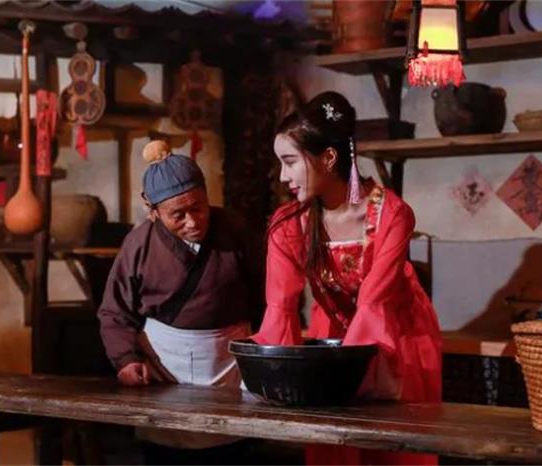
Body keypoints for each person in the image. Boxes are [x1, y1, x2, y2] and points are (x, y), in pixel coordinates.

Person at [252, 91, 442, 465]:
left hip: (397, 334)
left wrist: (343, 371)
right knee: (333, 451)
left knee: (394, 451)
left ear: (328, 158)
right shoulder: (289, 224)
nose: (283, 176)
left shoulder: (391, 213)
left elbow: (375, 301)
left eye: (290, 162)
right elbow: (280, 305)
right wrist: (274, 380)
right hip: (332, 335)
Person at [97, 140, 263, 463]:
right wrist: (126, 360)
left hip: (228, 364)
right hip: (164, 367)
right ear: (153, 211)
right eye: (178, 214)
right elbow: (114, 312)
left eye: (198, 208)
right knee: (167, 451)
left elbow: (266, 294)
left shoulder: (235, 229)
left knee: (229, 448)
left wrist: (262, 352)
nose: (193, 221)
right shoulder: (138, 244)